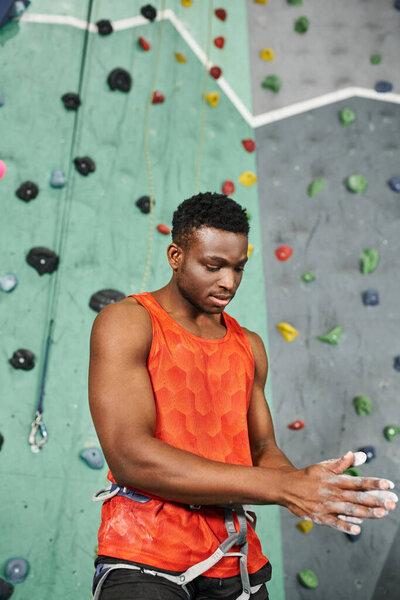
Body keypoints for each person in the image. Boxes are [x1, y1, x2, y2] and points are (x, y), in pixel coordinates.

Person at [88, 192, 396, 600]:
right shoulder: (128, 321)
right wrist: (282, 488)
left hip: (236, 561)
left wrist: (310, 487)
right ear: (176, 255)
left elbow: (263, 448)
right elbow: (130, 457)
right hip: (144, 554)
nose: (228, 282)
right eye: (213, 266)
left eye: (238, 268)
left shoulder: (248, 345)